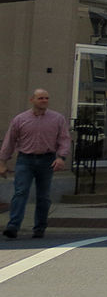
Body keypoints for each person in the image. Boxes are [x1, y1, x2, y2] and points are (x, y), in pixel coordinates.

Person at [1, 89, 71, 239]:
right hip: (25, 160)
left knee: (43, 196)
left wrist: (61, 157)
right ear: (32, 100)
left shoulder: (57, 119)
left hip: (47, 160)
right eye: (40, 98)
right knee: (20, 192)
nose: (44, 100)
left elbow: (64, 139)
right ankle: (13, 226)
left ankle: (39, 227)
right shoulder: (20, 119)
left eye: (46, 98)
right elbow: (10, 141)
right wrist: (2, 162)